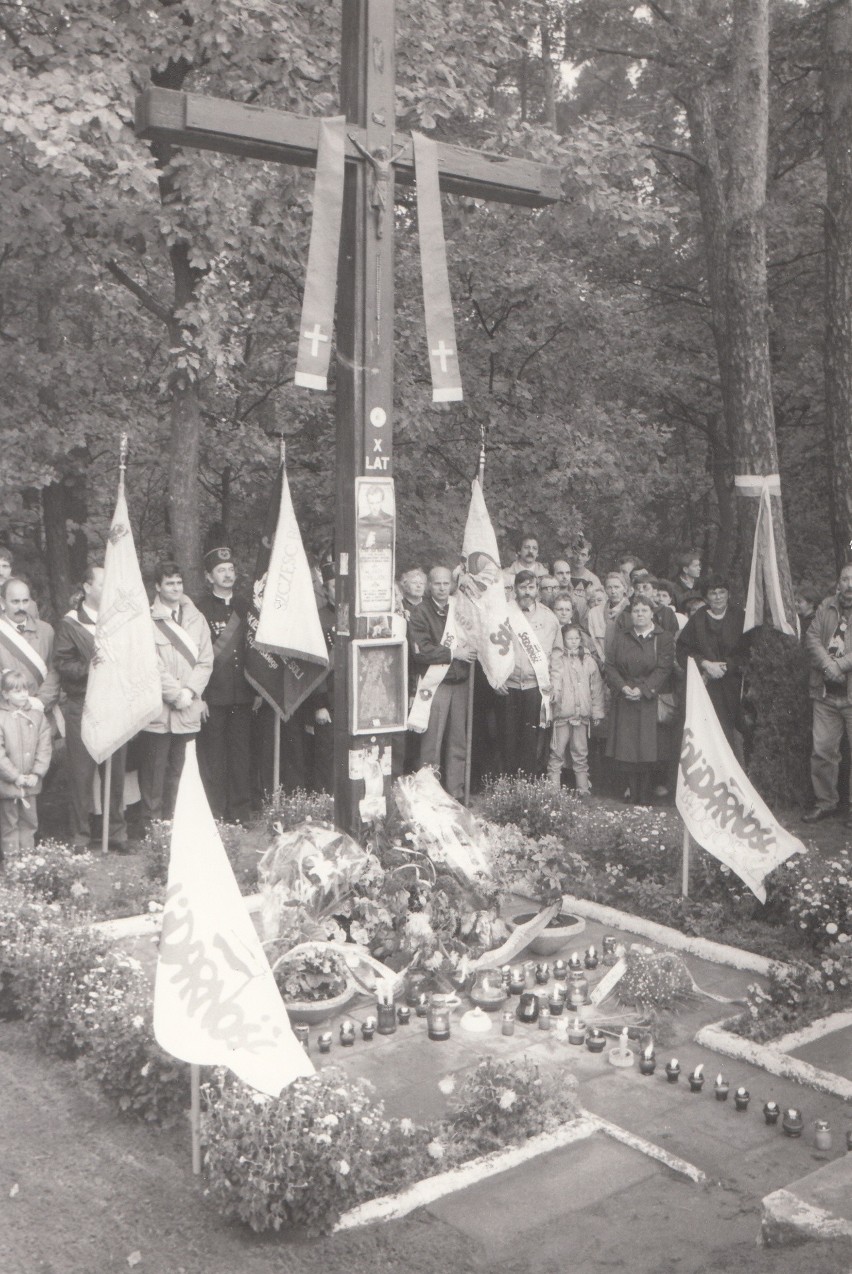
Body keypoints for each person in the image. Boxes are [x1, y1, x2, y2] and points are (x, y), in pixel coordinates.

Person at [53, 565, 129, 850]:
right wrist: (90, 668)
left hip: (115, 705)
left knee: (116, 773)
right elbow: (61, 664)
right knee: (81, 773)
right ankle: (80, 836)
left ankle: (117, 833)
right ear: (86, 587)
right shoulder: (71, 623)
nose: (107, 589)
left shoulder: (119, 620)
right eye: (102, 583)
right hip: (82, 705)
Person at [139, 562, 213, 827]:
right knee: (153, 775)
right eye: (169, 583)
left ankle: (177, 825)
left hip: (188, 708)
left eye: (179, 582)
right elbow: (149, 663)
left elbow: (206, 660)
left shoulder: (197, 618)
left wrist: (191, 691)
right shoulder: (146, 620)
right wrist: (174, 693)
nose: (175, 588)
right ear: (158, 586)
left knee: (181, 773)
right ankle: (152, 828)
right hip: (158, 712)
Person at [196, 547, 255, 823]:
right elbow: (195, 654)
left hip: (243, 693)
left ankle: (240, 811)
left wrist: (257, 689)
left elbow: (255, 651)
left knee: (242, 755)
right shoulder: (199, 610)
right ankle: (216, 811)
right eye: (221, 570)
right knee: (215, 756)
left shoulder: (246, 607)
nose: (228, 574)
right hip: (214, 694)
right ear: (210, 576)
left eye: (231, 569)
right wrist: (200, 696)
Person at [407, 565, 474, 800]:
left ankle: (455, 793)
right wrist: (452, 653)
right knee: (431, 743)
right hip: (437, 684)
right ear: (429, 586)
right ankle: (428, 794)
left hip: (461, 683)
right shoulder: (420, 613)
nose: (443, 588)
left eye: (446, 583)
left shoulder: (459, 609)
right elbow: (421, 651)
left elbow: (472, 635)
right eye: (437, 583)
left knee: (458, 741)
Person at [604, 594, 675, 805]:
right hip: (625, 697)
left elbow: (664, 669)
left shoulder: (663, 638)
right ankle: (631, 794)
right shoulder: (622, 636)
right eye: (636, 611)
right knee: (627, 750)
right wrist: (624, 687)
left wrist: (643, 690)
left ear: (652, 613)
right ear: (630, 614)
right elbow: (610, 666)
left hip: (648, 700)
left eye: (644, 610)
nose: (640, 614)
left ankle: (645, 796)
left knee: (646, 750)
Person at [498, 570, 562, 776]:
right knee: (507, 739)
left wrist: (555, 685)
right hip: (509, 686)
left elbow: (557, 655)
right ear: (515, 589)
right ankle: (508, 785)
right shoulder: (503, 613)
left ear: (537, 589)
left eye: (531, 587)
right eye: (523, 587)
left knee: (531, 740)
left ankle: (527, 786)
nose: (527, 592)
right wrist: (494, 677)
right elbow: (490, 649)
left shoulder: (549, 618)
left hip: (536, 687)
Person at [802, 564, 852, 824]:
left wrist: (840, 666)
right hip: (825, 694)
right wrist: (827, 666)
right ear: (838, 583)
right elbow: (811, 638)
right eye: (845, 579)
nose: (850, 585)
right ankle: (826, 802)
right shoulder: (826, 606)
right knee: (822, 750)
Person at [677, 574, 749, 748]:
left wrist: (726, 666)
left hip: (732, 685)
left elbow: (747, 651)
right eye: (713, 593)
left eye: (721, 592)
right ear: (706, 596)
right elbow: (682, 650)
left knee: (731, 736)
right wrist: (705, 664)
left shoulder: (740, 617)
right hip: (706, 685)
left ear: (728, 594)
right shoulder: (698, 619)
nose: (717, 597)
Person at [0, 670, 52, 855]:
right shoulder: (1, 717)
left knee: (30, 824)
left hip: (30, 783)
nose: (23, 694)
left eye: (25, 690)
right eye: (16, 691)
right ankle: (14, 867)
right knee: (9, 827)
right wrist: (15, 776)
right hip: (8, 785)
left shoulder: (37, 717)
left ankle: (28, 866)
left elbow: (44, 747)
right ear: (5, 694)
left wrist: (37, 773)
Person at [547, 624, 604, 793]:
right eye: (569, 639)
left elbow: (597, 687)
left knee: (580, 753)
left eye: (576, 638)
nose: (573, 642)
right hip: (562, 715)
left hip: (582, 715)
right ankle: (552, 790)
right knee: (557, 753)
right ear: (562, 640)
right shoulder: (557, 660)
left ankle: (583, 789)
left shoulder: (588, 660)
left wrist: (597, 711)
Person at [0, 578, 60, 720]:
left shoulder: (46, 630)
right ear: (2, 602)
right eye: (15, 602)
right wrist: (16, 701)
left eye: (25, 601)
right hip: (8, 716)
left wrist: (39, 701)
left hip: (42, 712)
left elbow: (55, 670)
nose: (21, 607)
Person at [307, 563, 336, 794]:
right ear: (326, 590)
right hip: (328, 696)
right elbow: (315, 667)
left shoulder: (359, 617)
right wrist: (320, 705)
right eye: (336, 586)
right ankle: (324, 799)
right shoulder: (318, 619)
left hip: (353, 699)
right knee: (326, 751)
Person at [587, 572, 629, 665]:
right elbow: (595, 641)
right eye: (609, 587)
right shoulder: (594, 613)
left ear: (625, 589)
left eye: (617, 587)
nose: (613, 591)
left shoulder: (632, 610)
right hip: (605, 663)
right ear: (605, 590)